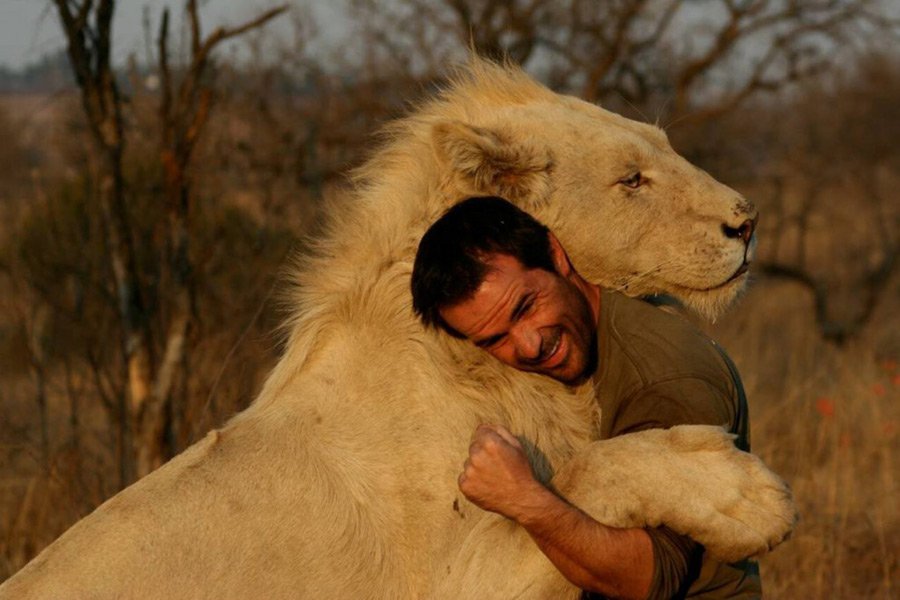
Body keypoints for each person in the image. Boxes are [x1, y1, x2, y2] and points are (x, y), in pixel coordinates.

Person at [410, 196, 761, 599]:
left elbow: (647, 578)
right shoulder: (587, 334)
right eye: (494, 339)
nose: (528, 345)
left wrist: (521, 497)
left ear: (557, 256)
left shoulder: (660, 380)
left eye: (526, 306)